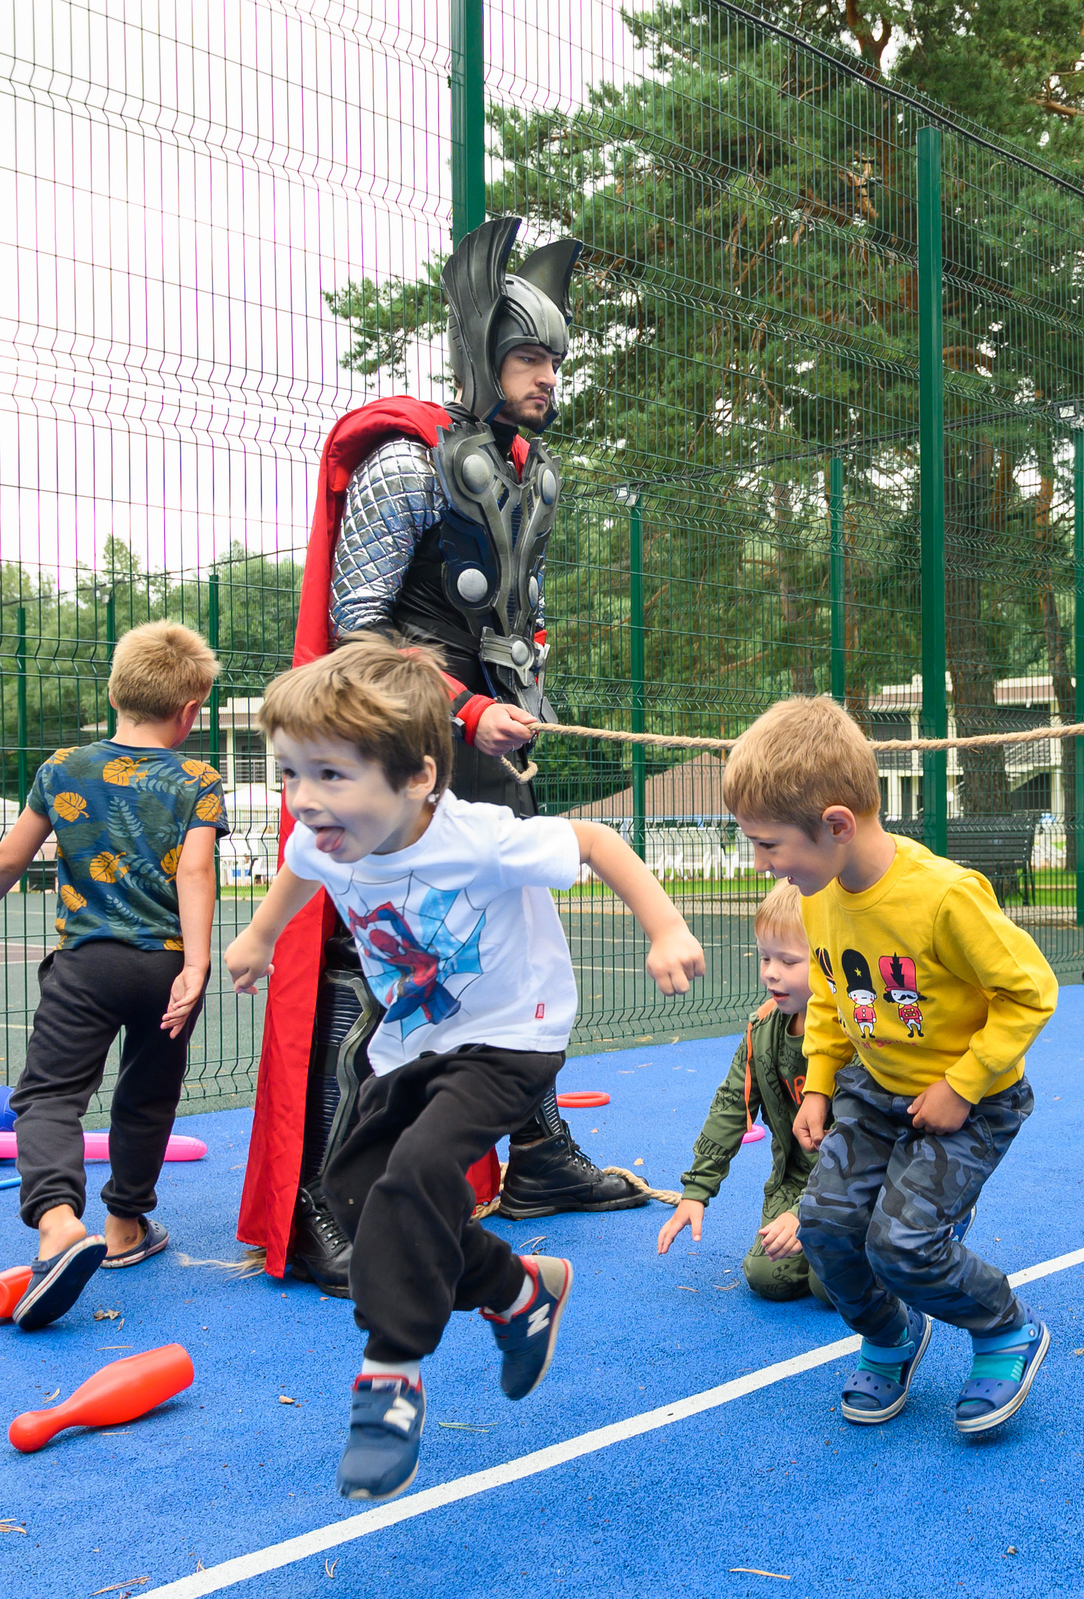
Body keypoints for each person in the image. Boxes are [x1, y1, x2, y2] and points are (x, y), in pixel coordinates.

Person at [243, 216, 646, 1303]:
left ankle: (541, 1154)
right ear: (479, 356)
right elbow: (357, 634)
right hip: (403, 753)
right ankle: (337, 1200)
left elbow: (513, 611)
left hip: (491, 738)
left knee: (511, 938)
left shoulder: (522, 470)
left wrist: (517, 693)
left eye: (555, 358)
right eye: (526, 356)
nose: (545, 377)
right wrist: (463, 711)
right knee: (375, 958)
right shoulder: (404, 464)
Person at [223, 636, 706, 1500]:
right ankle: (519, 1291)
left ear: (416, 778)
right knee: (359, 1193)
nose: (304, 799)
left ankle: (391, 1379)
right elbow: (297, 872)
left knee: (415, 1175)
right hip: (412, 1044)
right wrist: (261, 934)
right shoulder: (323, 840)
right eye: (290, 774)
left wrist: (665, 928)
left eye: (330, 775)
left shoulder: (477, 839)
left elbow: (596, 843)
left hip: (511, 1036)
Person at [723, 696, 1059, 1436]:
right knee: (824, 1229)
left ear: (837, 825)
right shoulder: (815, 896)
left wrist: (961, 1084)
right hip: (872, 1094)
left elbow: (1031, 993)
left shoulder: (942, 897)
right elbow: (832, 1001)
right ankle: (891, 1337)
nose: (762, 863)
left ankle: (1005, 1328)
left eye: (770, 844)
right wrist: (817, 1084)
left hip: (971, 1102)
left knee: (903, 1243)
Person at [0, 622, 224, 1330]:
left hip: (85, 964)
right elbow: (195, 869)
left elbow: (8, 859)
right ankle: (126, 1228)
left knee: (51, 1097)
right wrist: (197, 960)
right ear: (189, 711)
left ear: (116, 691)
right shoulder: (198, 780)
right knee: (148, 1094)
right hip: (164, 967)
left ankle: (59, 1222)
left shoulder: (63, 768)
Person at [655, 880, 829, 1304]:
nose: (771, 971)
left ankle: (906, 1236)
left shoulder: (854, 1038)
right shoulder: (762, 1031)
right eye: (766, 956)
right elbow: (732, 1106)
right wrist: (696, 1190)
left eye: (788, 960)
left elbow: (863, 1141)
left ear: (829, 963)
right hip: (798, 1178)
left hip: (856, 1184)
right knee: (767, 1277)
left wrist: (807, 1212)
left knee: (832, 1289)